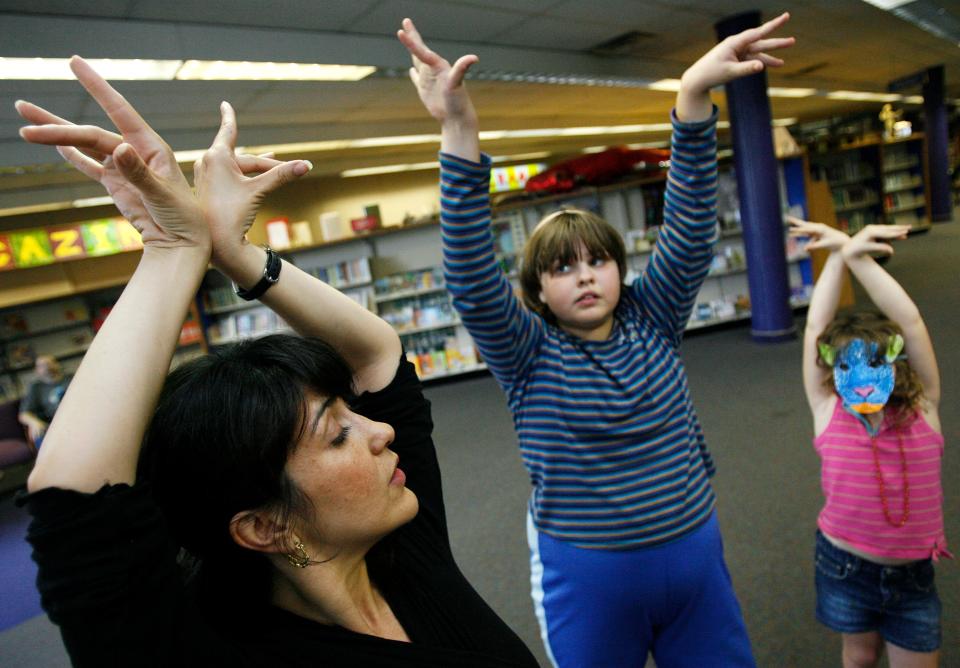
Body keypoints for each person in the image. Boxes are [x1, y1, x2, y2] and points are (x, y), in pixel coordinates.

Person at [15, 57, 539, 668]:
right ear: (263, 527)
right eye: (339, 433)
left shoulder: (400, 538)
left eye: (351, 415)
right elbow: (76, 503)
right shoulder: (215, 652)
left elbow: (377, 354)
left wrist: (236, 255)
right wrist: (171, 251)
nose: (383, 430)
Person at [399, 13, 794, 668]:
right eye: (561, 267)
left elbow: (692, 225)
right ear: (537, 290)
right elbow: (469, 276)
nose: (583, 274)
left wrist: (693, 95)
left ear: (619, 267)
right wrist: (459, 130)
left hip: (695, 559)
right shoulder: (528, 353)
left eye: (596, 259)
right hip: (591, 579)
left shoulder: (654, 316)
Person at [791, 218, 947, 668]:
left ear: (897, 367)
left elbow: (911, 322)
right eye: (848, 370)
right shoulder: (828, 411)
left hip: (913, 579)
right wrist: (838, 256)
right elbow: (814, 328)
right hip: (844, 567)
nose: (861, 384)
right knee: (858, 657)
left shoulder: (923, 408)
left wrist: (859, 258)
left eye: (875, 367)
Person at [18, 355, 71, 447]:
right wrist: (35, 423)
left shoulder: (71, 378)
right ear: (37, 370)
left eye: (49, 363)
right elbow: (23, 415)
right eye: (42, 365)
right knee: (39, 435)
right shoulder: (36, 388)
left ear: (57, 364)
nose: (47, 367)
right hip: (52, 425)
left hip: (77, 419)